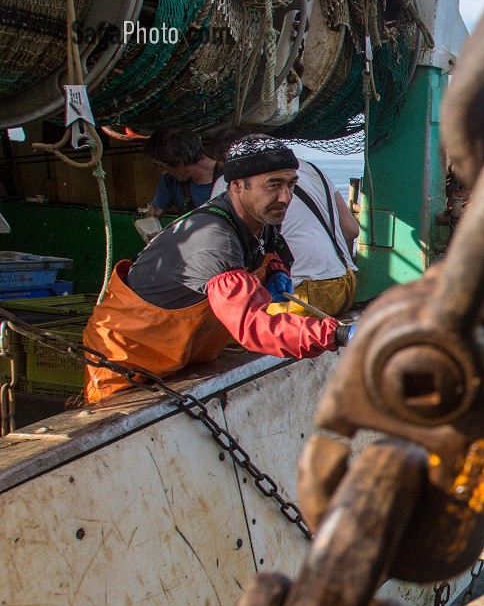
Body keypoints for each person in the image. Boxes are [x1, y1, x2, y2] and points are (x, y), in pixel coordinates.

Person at [84, 135, 352, 402]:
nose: (285, 197)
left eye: (291, 184)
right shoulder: (213, 238)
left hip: (183, 352)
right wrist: (337, 334)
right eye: (273, 185)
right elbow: (251, 325)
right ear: (236, 185)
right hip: (127, 359)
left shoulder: (261, 218)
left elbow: (272, 249)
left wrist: (276, 273)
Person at [210, 127, 360, 317]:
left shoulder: (231, 184)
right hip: (345, 285)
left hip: (302, 292)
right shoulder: (313, 170)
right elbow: (351, 229)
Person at [144, 127, 217, 217]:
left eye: (162, 167)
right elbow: (153, 214)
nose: (163, 173)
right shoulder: (169, 179)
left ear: (179, 162)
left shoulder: (226, 178)